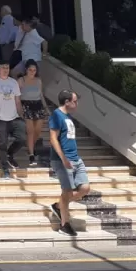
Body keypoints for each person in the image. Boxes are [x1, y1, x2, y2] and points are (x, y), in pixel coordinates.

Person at [48, 90, 89, 237]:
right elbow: (53, 139)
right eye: (75, 101)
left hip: (76, 158)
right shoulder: (56, 116)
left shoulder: (69, 117)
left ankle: (59, 206)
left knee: (85, 188)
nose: (76, 103)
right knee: (67, 192)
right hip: (62, 160)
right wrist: (64, 159)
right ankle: (64, 225)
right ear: (67, 102)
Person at [0, 60, 26, 179]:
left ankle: (10, 154)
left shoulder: (13, 82)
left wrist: (21, 116)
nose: (6, 70)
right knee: (2, 142)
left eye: (7, 67)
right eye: (3, 67)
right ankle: (5, 169)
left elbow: (17, 101)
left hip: (14, 116)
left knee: (22, 138)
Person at [19, 60, 47, 165]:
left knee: (38, 130)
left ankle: (30, 145)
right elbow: (17, 96)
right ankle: (31, 154)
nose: (32, 72)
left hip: (38, 105)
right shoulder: (21, 80)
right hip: (26, 105)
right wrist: (18, 108)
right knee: (30, 131)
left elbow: (41, 95)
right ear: (26, 70)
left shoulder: (38, 80)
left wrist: (46, 108)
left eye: (34, 70)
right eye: (30, 70)